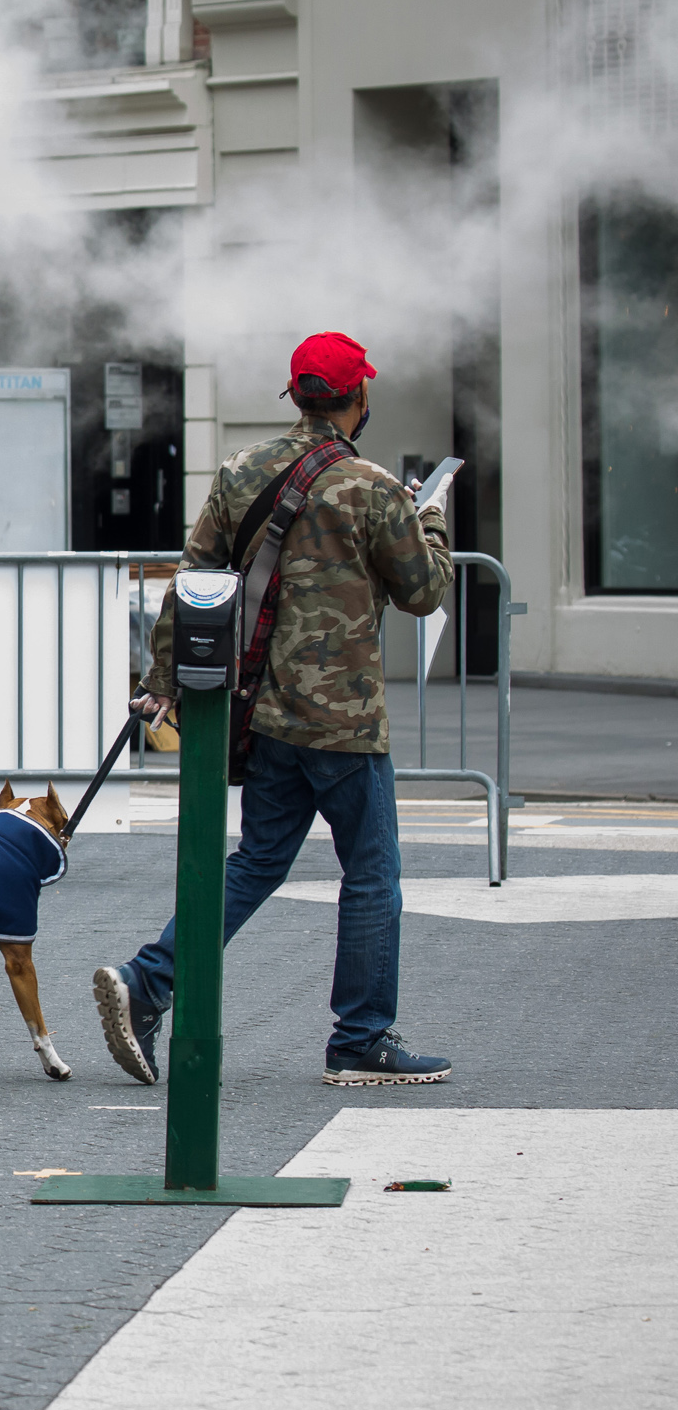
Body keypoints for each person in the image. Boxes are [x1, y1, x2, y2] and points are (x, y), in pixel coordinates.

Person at [95, 331, 457, 1089]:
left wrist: (163, 678)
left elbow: (192, 580)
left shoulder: (240, 470)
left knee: (257, 862)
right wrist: (433, 522)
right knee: (371, 872)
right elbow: (424, 592)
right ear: (358, 397)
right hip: (346, 719)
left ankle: (151, 979)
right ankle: (360, 1038)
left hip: (261, 713)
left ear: (295, 396)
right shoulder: (372, 486)